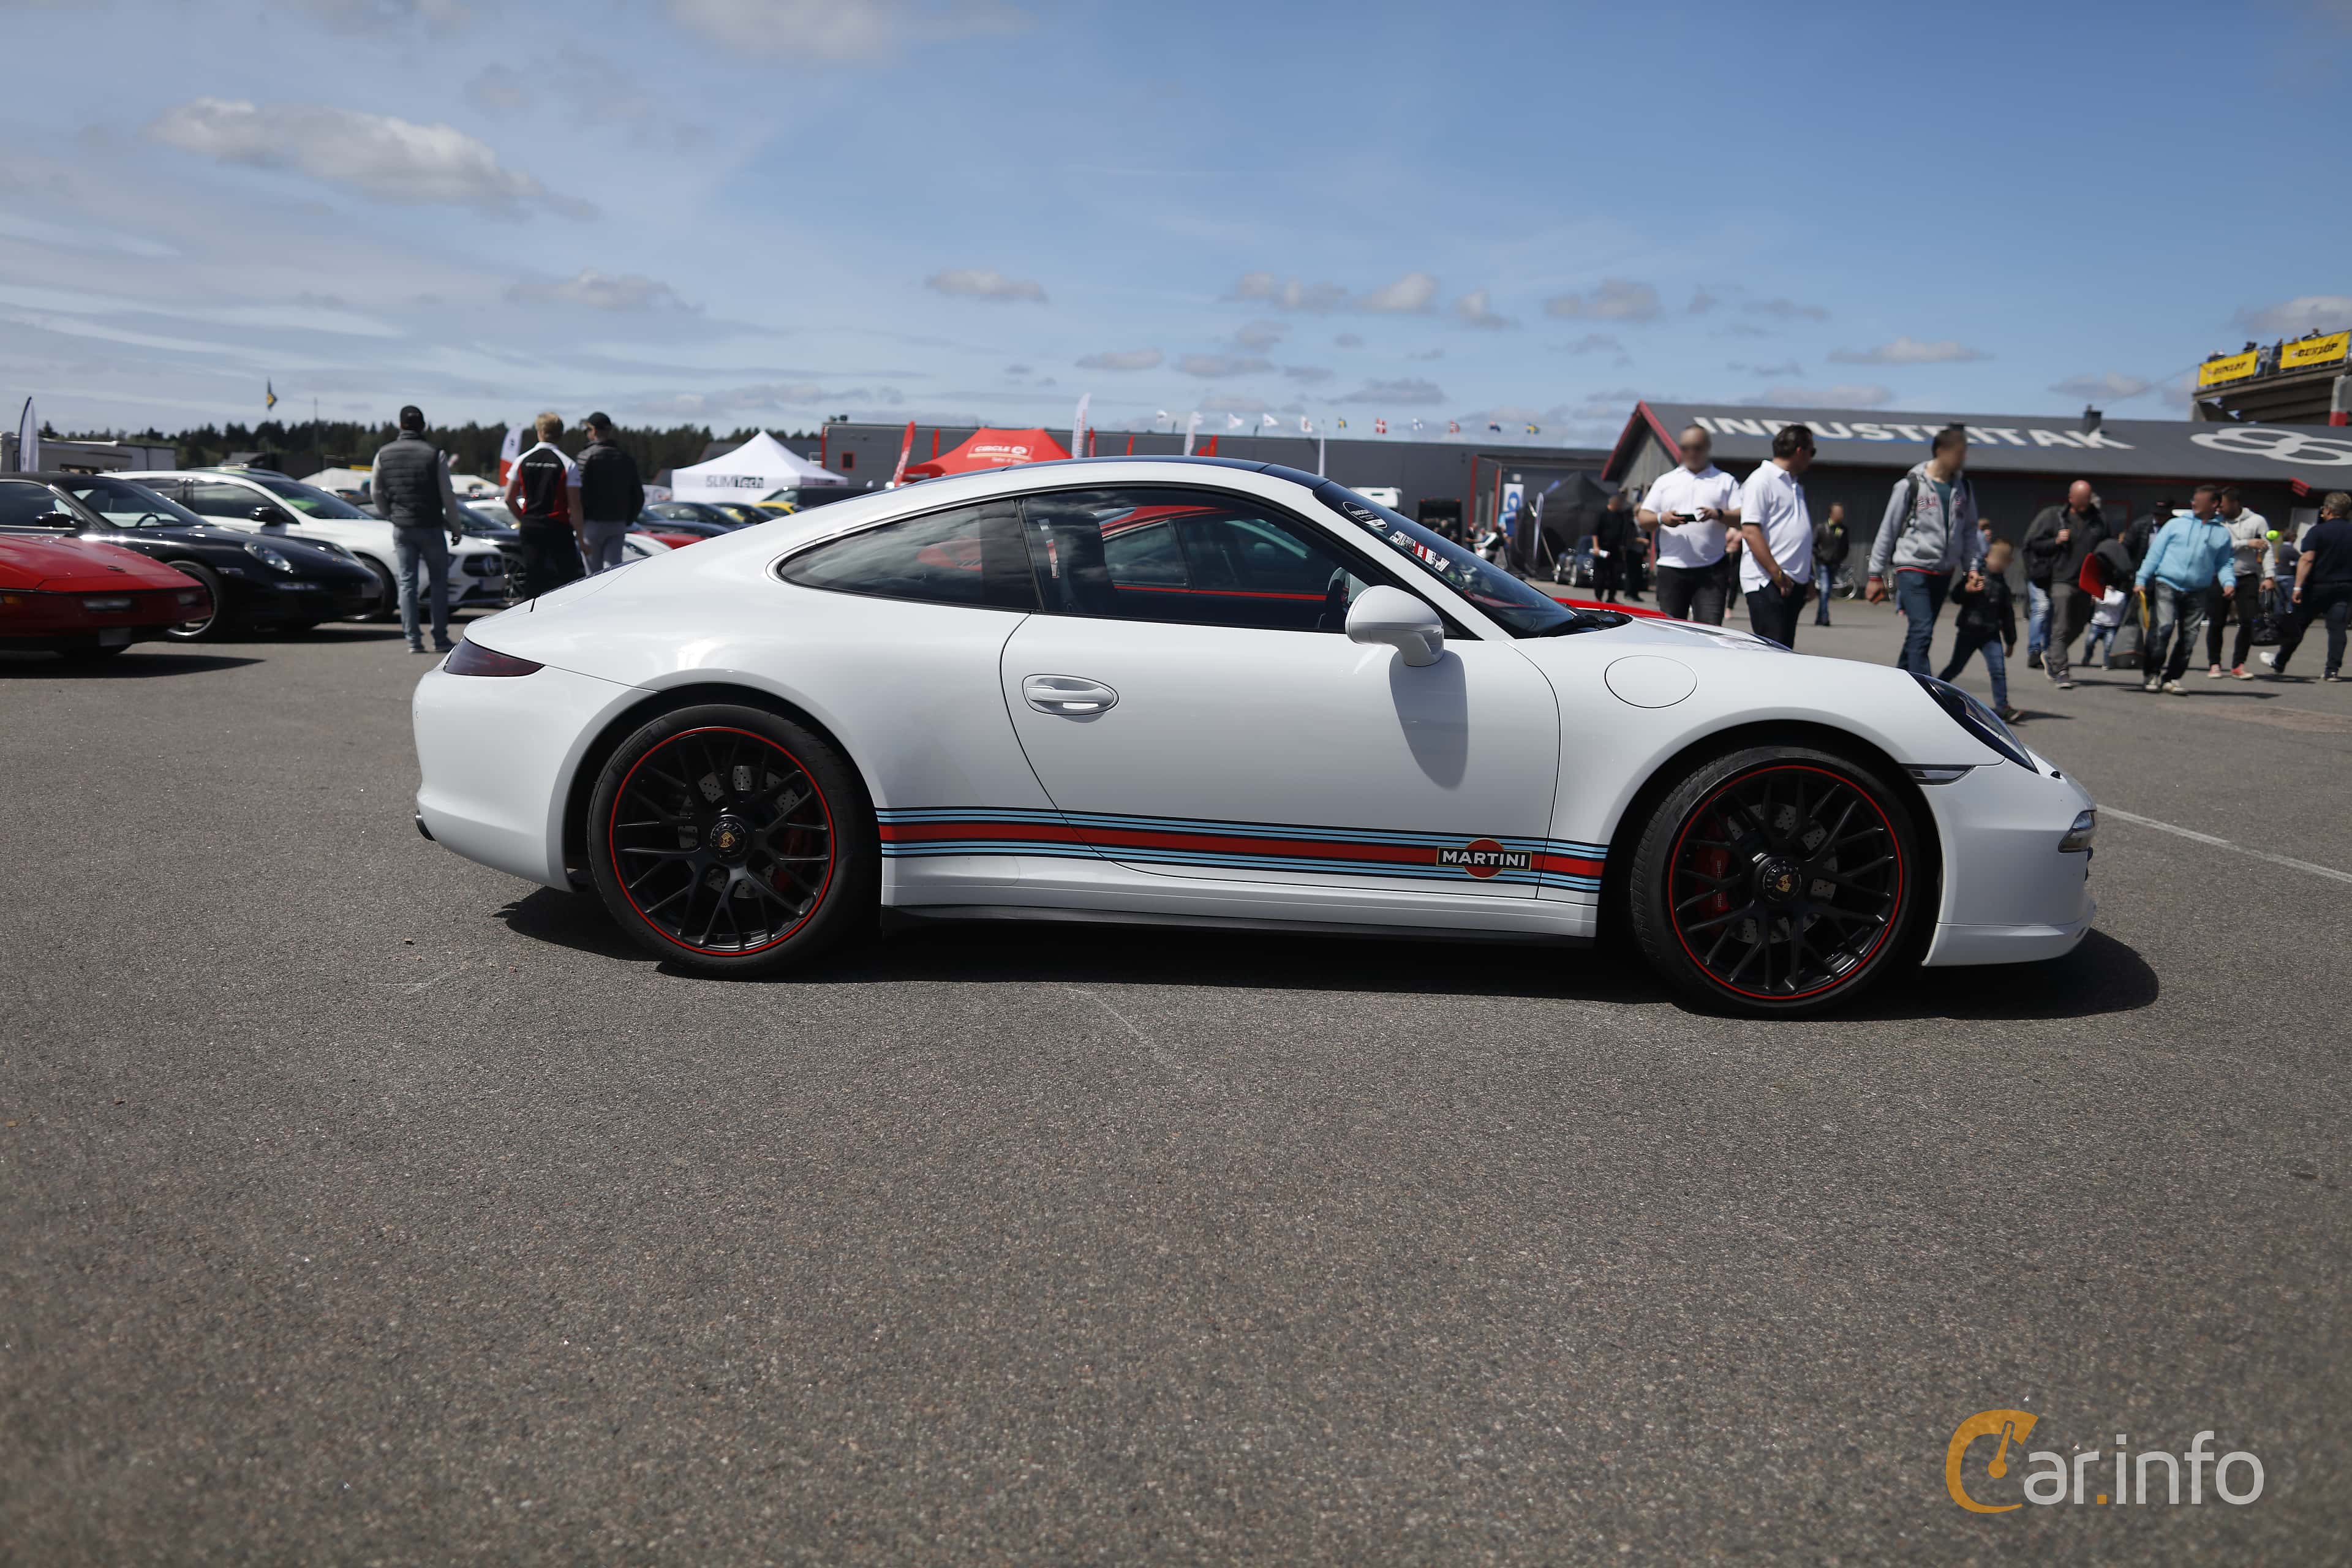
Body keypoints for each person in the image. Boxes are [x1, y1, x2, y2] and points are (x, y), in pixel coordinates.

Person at [1866, 425, 1984, 676]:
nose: (1963, 459)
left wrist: (1972, 567)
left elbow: (1969, 531)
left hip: (1943, 571)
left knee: (1919, 632)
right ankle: (1924, 690)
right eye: (1959, 453)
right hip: (1913, 566)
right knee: (1923, 630)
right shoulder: (1910, 486)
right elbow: (1888, 529)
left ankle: (1898, 680)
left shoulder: (1964, 489)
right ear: (1941, 451)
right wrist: (1875, 575)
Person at [368, 404, 467, 654]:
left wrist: (390, 514)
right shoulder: (435, 454)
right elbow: (448, 495)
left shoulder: (384, 453)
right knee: (438, 583)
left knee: (407, 583)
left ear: (400, 425)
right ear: (423, 426)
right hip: (431, 525)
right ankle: (440, 638)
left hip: (402, 526)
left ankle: (413, 640)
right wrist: (456, 527)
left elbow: (375, 492)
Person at [2134, 484, 2236, 693]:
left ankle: (2172, 678)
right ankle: (2152, 674)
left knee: (2189, 637)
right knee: (2163, 629)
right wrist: (2141, 579)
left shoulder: (2222, 534)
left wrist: (2229, 582)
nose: (2193, 503)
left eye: (2199, 500)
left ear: (2214, 504)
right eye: (2193, 499)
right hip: (2167, 583)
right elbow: (2155, 554)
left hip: (2198, 589)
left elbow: (2225, 563)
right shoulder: (2175, 525)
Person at [1635, 424, 1740, 624]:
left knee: (1710, 631)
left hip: (1712, 568)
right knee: (1671, 631)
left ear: (1708, 447)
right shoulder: (1666, 481)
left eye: (1697, 447)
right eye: (1685, 448)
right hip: (1672, 567)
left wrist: (1718, 514)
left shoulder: (1725, 481)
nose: (1691, 453)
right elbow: (1643, 518)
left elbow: (1742, 516)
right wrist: (1661, 519)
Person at [1736, 423, 1815, 647]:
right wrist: (1776, 573)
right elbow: (1751, 531)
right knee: (1772, 650)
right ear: (1799, 450)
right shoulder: (1762, 480)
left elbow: (1800, 533)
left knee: (1785, 649)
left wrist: (1808, 577)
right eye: (1812, 451)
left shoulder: (1794, 484)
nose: (1812, 458)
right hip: (1768, 581)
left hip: (1791, 581)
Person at [2026, 480, 2109, 690]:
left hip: (2086, 581)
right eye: (2081, 498)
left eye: (2088, 498)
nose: (2085, 502)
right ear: (2071, 498)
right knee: (2061, 626)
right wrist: (2055, 541)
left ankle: (2051, 654)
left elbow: (2107, 550)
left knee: (2079, 625)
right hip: (2060, 579)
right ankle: (2062, 671)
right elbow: (2033, 544)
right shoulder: (2054, 517)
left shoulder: (2099, 521)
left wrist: (2103, 580)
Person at [2261, 490, 2352, 681]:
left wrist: (2298, 587)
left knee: (2298, 626)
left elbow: (2307, 560)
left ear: (2327, 510)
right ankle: (2332, 670)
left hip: (2317, 587)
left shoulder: (2318, 531)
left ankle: (2280, 662)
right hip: (2345, 587)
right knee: (2337, 629)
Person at [1938, 538, 2021, 721]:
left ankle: (2003, 707)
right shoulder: (1974, 576)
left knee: (1998, 670)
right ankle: (1935, 690)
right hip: (1969, 631)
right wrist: (1967, 590)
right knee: (1956, 666)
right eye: (1997, 559)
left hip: (1991, 635)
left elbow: (2008, 615)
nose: (2000, 564)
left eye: (2004, 561)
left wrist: (2011, 641)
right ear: (1987, 557)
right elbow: (1956, 597)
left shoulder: (2003, 587)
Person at [503, 411, 585, 597]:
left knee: (534, 579)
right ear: (560, 434)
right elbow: (575, 505)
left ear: (539, 431)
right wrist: (581, 539)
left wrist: (524, 519)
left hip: (531, 526)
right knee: (567, 581)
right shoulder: (568, 464)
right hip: (558, 527)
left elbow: (509, 498)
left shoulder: (521, 460)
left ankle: (529, 621)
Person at [2207, 486, 2270, 679]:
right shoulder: (2215, 523)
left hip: (2248, 577)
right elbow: (2217, 549)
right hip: (2218, 577)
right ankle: (2215, 664)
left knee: (2247, 621)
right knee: (2217, 622)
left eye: (2222, 505)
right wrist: (2247, 543)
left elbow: (2267, 550)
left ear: (2235, 503)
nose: (2218, 509)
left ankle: (2238, 665)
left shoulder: (2257, 521)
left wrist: (2269, 576)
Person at [574, 412, 645, 575]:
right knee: (613, 572)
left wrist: (578, 521)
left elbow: (577, 494)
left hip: (591, 524)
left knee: (592, 576)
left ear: (593, 430)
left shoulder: (585, 457)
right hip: (618, 523)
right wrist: (627, 519)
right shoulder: (625, 458)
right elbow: (638, 496)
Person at [1591, 491, 1634, 603]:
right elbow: (1595, 532)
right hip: (1602, 549)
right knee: (1600, 575)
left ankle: (1611, 597)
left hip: (1616, 550)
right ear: (1613, 504)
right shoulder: (1602, 515)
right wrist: (1596, 547)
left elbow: (1625, 532)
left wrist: (1624, 548)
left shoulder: (1621, 516)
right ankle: (1598, 597)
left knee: (1616, 574)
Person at [1811, 502, 1847, 626]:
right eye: (1838, 512)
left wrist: (1839, 558)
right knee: (1825, 590)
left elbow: (1845, 547)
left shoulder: (1843, 529)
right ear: (1831, 514)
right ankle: (1825, 618)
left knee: (1826, 592)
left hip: (1834, 564)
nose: (1841, 515)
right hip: (1823, 564)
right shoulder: (1822, 528)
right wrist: (1821, 557)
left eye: (1842, 513)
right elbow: (1813, 546)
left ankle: (1819, 617)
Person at [2081, 583, 2128, 668]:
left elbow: (2116, 603)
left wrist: (2100, 600)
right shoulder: (2099, 591)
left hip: (2112, 625)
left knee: (2108, 645)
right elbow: (2092, 602)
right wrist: (2092, 600)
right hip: (2097, 622)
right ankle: (2087, 657)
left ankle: (2107, 663)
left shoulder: (2120, 595)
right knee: (2089, 642)